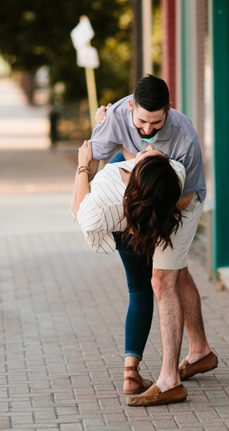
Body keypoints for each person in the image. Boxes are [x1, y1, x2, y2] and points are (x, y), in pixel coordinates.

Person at [86, 76, 215, 405]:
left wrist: (147, 219)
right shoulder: (115, 116)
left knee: (161, 279)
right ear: (130, 107)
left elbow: (185, 198)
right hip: (146, 198)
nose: (147, 129)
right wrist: (90, 203)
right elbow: (92, 157)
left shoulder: (183, 135)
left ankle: (170, 380)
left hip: (181, 203)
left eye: (156, 122)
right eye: (141, 121)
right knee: (177, 272)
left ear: (169, 112)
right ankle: (200, 351)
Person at [71, 141, 206, 406]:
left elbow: (80, 211)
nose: (150, 144)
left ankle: (138, 373)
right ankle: (138, 370)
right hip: (149, 216)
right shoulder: (173, 172)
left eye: (148, 152)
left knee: (144, 288)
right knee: (150, 285)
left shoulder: (105, 203)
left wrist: (84, 165)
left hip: (126, 219)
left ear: (137, 173)